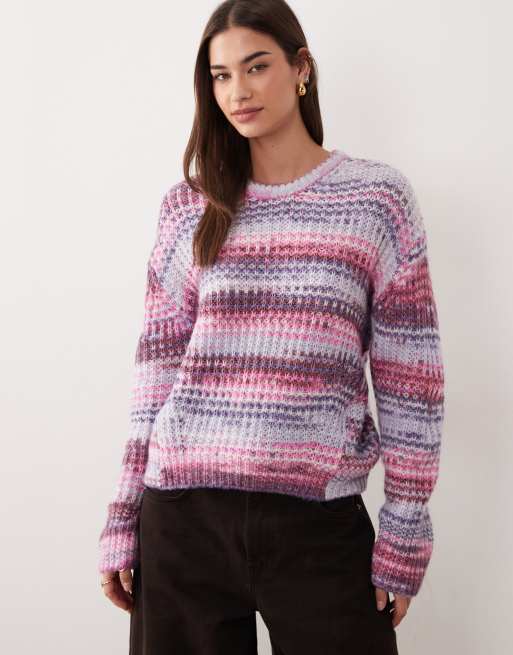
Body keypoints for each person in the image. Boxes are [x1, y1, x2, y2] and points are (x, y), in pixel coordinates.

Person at [98, 1, 445, 653]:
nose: (238, 91)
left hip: (317, 524)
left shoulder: (376, 200)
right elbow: (154, 378)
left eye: (256, 67)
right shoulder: (188, 208)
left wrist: (405, 528)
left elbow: (410, 383)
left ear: (301, 68)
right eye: (221, 75)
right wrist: (122, 515)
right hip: (183, 520)